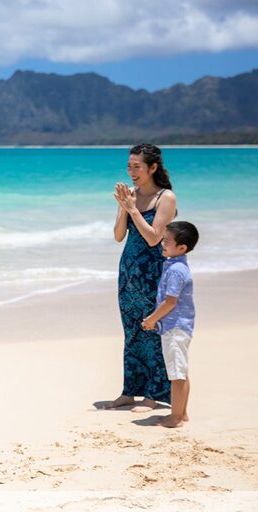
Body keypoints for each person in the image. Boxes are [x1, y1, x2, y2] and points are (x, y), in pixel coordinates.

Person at [107, 144, 177, 412]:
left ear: (153, 168)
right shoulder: (131, 195)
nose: (132, 171)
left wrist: (133, 208)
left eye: (137, 166)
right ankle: (129, 391)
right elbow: (117, 236)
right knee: (131, 331)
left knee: (151, 329)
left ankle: (153, 394)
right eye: (129, 166)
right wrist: (124, 207)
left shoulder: (165, 198)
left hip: (153, 273)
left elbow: (153, 237)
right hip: (128, 272)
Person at [141, 221, 198, 428]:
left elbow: (171, 301)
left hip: (175, 327)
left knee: (176, 374)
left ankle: (175, 418)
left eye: (166, 241)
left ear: (182, 248)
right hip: (179, 326)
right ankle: (182, 413)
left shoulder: (176, 270)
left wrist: (152, 319)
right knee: (180, 371)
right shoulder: (176, 265)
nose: (162, 244)